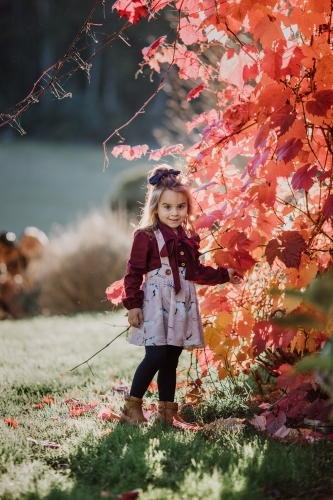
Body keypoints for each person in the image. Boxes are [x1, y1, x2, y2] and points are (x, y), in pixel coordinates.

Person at [120, 166, 242, 425]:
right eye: (167, 207)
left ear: (187, 207)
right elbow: (133, 273)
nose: (174, 213)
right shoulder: (146, 236)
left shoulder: (188, 238)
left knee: (171, 358)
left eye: (180, 207)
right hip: (155, 304)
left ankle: (166, 414)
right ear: (156, 207)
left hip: (181, 303)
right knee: (155, 355)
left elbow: (195, 272)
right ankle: (132, 408)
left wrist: (224, 275)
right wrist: (132, 305)